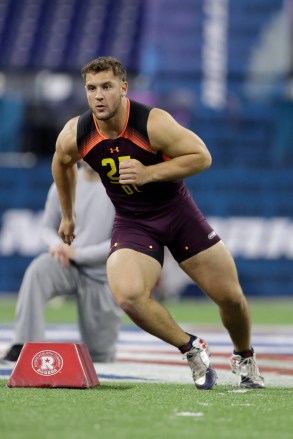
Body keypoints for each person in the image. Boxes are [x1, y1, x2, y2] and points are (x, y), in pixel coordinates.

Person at [51, 56, 264, 389]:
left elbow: (201, 156)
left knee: (231, 297)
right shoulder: (77, 132)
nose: (98, 96)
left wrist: (149, 173)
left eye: (106, 87)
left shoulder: (152, 123)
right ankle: (191, 348)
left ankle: (244, 356)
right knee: (128, 296)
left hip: (177, 215)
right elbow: (61, 163)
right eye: (91, 88)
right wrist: (67, 213)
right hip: (134, 222)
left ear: (123, 88)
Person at [1, 161, 122, 364]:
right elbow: (47, 227)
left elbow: (120, 243)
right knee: (39, 270)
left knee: (100, 355)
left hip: (103, 275)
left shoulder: (120, 189)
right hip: (67, 265)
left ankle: (100, 354)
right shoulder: (63, 183)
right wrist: (57, 245)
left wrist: (77, 253)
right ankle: (25, 345)